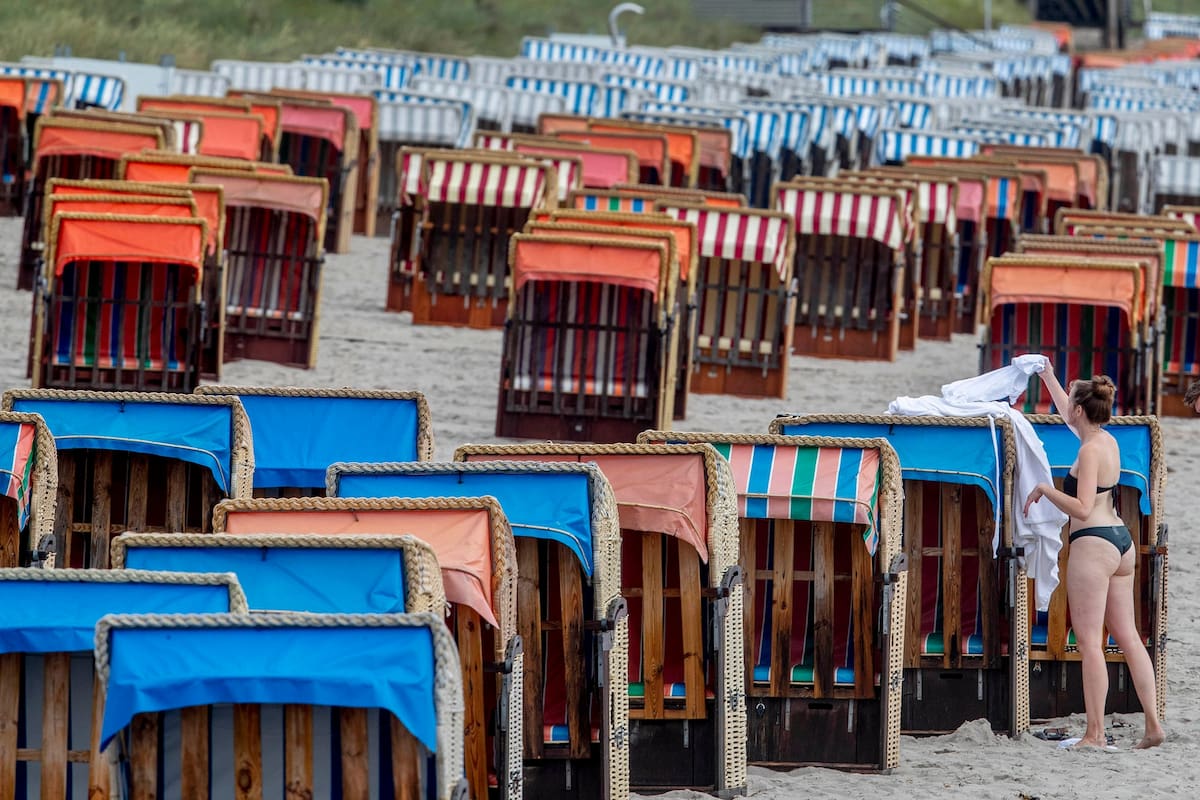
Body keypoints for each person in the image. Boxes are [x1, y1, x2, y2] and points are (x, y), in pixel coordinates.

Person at [1023, 368, 1165, 750]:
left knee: (1089, 645)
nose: (1066, 408)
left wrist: (1045, 489)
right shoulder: (1106, 440)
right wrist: (1048, 375)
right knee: (1130, 639)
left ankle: (1095, 735)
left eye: (1071, 402)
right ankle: (1153, 726)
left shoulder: (1087, 451)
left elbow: (1083, 508)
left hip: (1093, 543)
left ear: (1080, 410)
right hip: (1122, 543)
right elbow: (1067, 412)